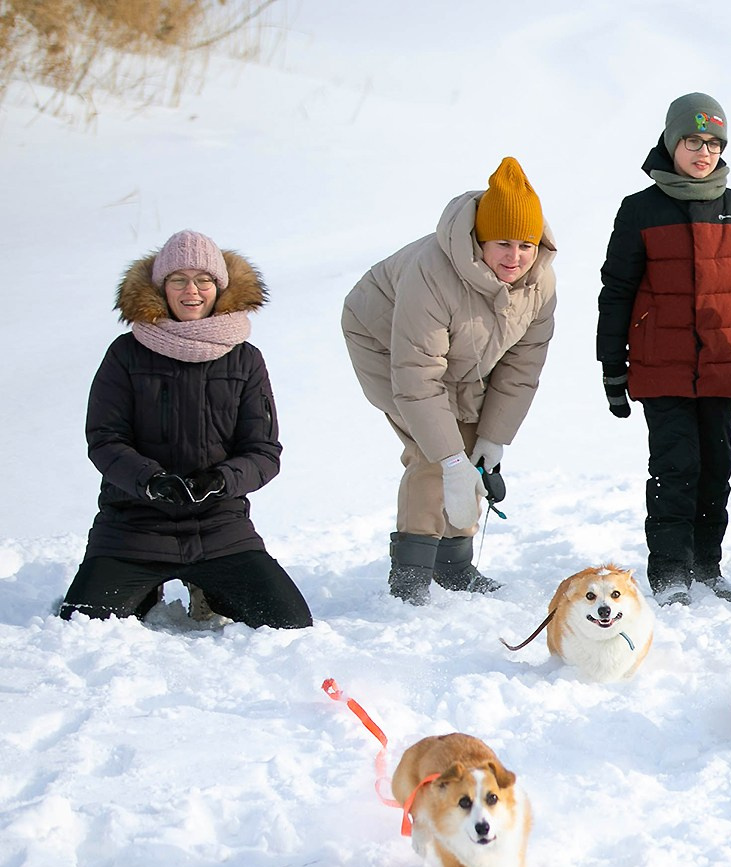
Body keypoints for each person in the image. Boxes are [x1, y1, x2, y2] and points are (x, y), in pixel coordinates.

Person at [60, 230, 312, 629]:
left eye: (203, 279)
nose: (191, 290)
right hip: (134, 525)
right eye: (178, 279)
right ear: (161, 288)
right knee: (80, 625)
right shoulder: (125, 354)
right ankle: (146, 589)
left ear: (219, 287)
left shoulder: (245, 360)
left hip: (219, 526)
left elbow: (263, 451)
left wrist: (220, 480)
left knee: (290, 622)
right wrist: (150, 481)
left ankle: (209, 586)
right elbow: (105, 439)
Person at [342, 157, 555, 604]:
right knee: (435, 452)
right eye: (502, 243)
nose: (514, 257)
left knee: (471, 442)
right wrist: (453, 461)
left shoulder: (540, 284)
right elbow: (417, 377)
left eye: (525, 245)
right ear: (479, 240)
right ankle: (412, 575)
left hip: (465, 354)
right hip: (384, 341)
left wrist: (493, 441)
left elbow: (521, 368)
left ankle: (454, 563)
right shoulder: (433, 272)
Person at [599, 92, 731, 605]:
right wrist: (613, 367)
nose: (704, 152)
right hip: (662, 366)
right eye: (693, 141)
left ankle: (706, 566)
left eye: (714, 143)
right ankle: (670, 572)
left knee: (716, 465)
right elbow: (616, 290)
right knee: (676, 467)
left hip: (723, 361)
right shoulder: (640, 210)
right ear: (671, 142)